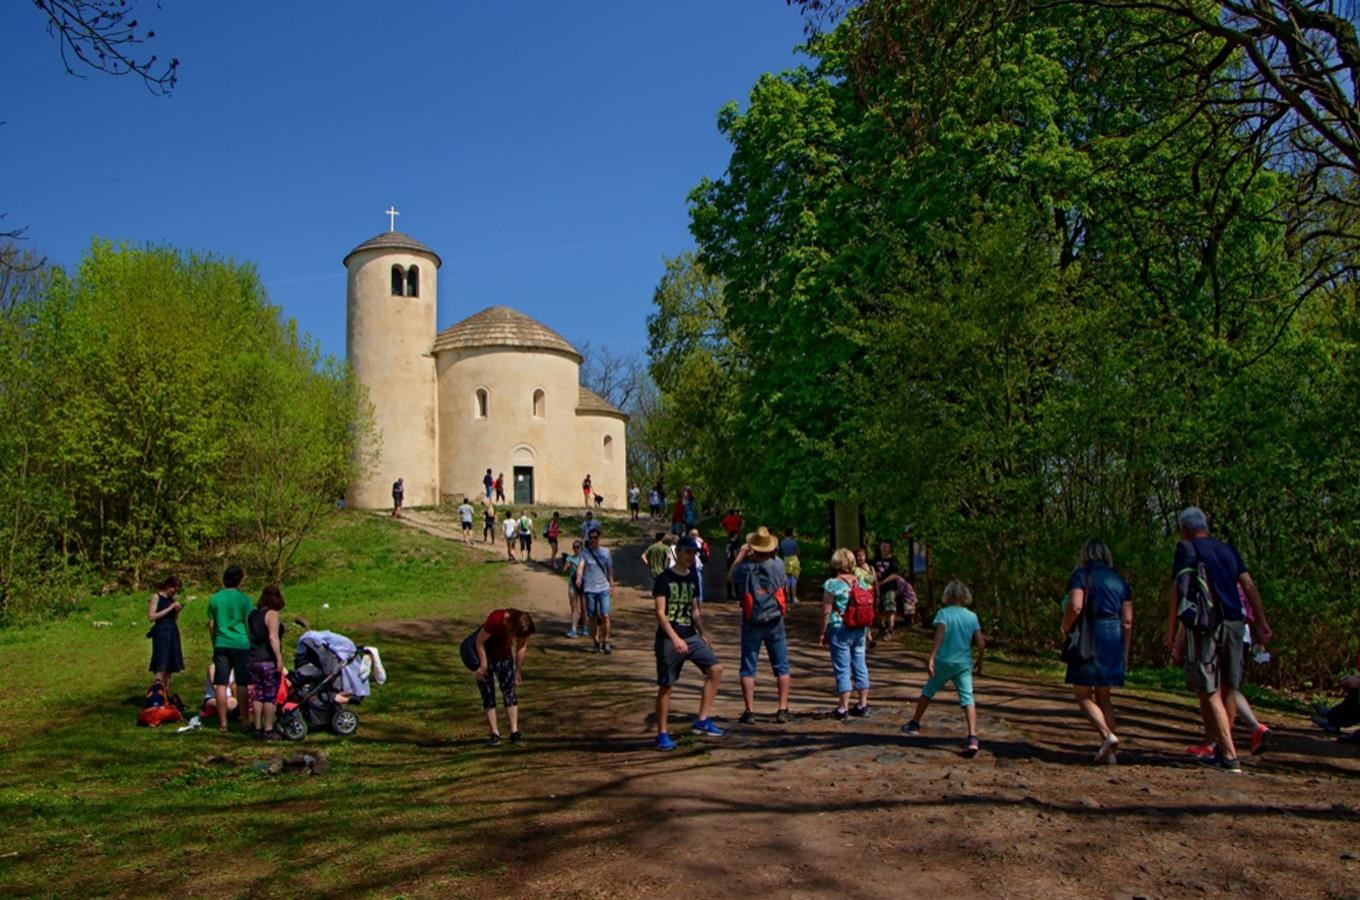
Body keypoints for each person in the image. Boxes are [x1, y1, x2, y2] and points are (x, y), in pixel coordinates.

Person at [1167, 506, 1273, 773]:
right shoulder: (1229, 550)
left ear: (1184, 529)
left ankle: (1228, 754)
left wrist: (1171, 631)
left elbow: (1177, 591)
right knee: (1229, 686)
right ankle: (1220, 748)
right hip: (1236, 624)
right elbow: (1249, 585)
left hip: (1206, 625)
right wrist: (1261, 623)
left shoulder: (1186, 550)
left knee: (1208, 688)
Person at [1061, 539, 1133, 764]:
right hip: (1113, 636)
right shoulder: (1120, 580)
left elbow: (1076, 605)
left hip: (1089, 635)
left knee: (1082, 694)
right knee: (1104, 695)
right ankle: (1110, 755)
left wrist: (1066, 627)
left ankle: (1106, 735)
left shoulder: (1081, 575)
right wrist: (1126, 651)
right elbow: (1128, 620)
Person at [653, 535, 725, 750]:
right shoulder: (664, 578)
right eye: (688, 552)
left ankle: (702, 719)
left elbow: (695, 611)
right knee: (666, 685)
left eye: (694, 553)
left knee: (716, 669)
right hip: (668, 638)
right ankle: (662, 733)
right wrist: (675, 638)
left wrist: (702, 632)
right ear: (679, 553)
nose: (692, 556)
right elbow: (660, 613)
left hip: (691, 635)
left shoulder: (692, 578)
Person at [902, 580, 986, 756]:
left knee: (929, 690)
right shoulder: (972, 616)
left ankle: (915, 723)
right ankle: (972, 737)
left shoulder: (943, 614)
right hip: (963, 663)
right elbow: (980, 642)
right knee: (967, 697)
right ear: (965, 596)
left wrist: (931, 657)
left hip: (944, 661)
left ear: (948, 595)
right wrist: (980, 660)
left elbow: (939, 637)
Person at [732, 526, 792, 724]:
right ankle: (782, 708)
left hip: (752, 621)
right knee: (781, 666)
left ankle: (750, 711)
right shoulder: (778, 565)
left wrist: (741, 555)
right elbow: (783, 583)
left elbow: (730, 577)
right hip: (775, 620)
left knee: (748, 667)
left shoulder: (744, 569)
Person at [461, 608, 536, 745]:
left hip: (503, 656)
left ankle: (514, 731)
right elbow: (479, 642)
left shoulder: (523, 629)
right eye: (516, 636)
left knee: (509, 691)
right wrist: (483, 665)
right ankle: (494, 733)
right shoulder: (496, 619)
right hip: (485, 654)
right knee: (488, 693)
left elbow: (521, 647)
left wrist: (518, 670)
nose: (516, 639)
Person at [820, 548, 871, 720]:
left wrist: (822, 632)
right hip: (859, 628)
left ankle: (843, 707)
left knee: (842, 667)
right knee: (860, 664)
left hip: (839, 627)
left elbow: (826, 611)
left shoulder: (832, 584)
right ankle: (862, 704)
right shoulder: (860, 582)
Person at [207, 565, 254, 734]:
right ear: (240, 580)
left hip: (221, 643)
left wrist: (215, 640)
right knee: (242, 683)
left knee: (221, 683)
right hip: (240, 643)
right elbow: (249, 622)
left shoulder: (215, 599)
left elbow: (211, 624)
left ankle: (222, 723)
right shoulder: (244, 599)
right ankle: (245, 720)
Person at [247, 584, 286, 740]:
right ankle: (268, 729)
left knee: (258, 694)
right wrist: (279, 658)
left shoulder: (252, 614)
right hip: (267, 660)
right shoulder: (272, 614)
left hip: (252, 659)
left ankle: (257, 727)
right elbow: (272, 637)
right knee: (269, 695)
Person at [576, 526, 615, 654]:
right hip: (589, 589)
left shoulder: (606, 552)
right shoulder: (585, 553)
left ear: (599, 538)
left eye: (595, 537)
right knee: (592, 617)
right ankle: (596, 641)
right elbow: (580, 567)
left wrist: (612, 584)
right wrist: (579, 577)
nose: (593, 540)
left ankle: (606, 641)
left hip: (603, 587)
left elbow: (609, 569)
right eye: (590, 538)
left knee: (605, 615)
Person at [146, 574, 185, 693]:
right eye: (174, 589)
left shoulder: (172, 599)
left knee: (169, 666)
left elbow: (174, 618)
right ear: (168, 586)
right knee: (161, 663)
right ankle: (157, 693)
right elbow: (151, 616)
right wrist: (169, 608)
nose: (174, 592)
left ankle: (166, 695)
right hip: (161, 632)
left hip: (172, 631)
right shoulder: (156, 597)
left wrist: (177, 611)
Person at [872, 541, 910, 639]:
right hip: (876, 588)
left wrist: (882, 582)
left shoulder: (893, 561)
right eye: (883, 546)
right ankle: (882, 627)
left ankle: (890, 629)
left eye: (887, 546)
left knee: (890, 608)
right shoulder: (875, 560)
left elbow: (895, 575)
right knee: (876, 609)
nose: (885, 549)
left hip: (890, 588)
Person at [563, 539, 588, 638]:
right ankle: (574, 629)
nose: (576, 549)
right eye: (574, 547)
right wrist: (567, 566)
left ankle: (585, 627)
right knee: (574, 607)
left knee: (584, 607)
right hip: (573, 584)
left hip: (584, 584)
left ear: (581, 548)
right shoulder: (570, 558)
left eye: (578, 547)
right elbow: (564, 570)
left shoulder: (585, 558)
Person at [721, 509, 744, 601]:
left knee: (729, 577)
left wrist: (726, 530)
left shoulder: (728, 543)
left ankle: (729, 594)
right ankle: (737, 594)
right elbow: (742, 522)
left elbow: (721, 524)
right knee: (736, 577)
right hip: (733, 561)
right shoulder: (737, 518)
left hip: (728, 560)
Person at [779, 528, 801, 605]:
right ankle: (794, 597)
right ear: (791, 534)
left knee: (787, 580)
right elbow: (798, 552)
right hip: (794, 559)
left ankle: (787, 597)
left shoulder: (782, 543)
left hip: (785, 560)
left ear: (784, 534)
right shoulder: (794, 542)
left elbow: (780, 552)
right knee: (794, 579)